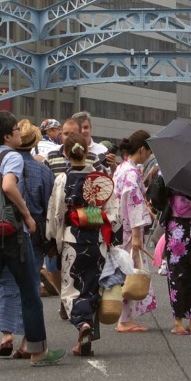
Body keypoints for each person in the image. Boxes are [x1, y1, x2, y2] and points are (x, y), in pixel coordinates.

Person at [0, 110, 65, 370]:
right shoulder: (13, 157)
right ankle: (38, 351)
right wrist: (27, 215)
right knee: (29, 291)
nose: (19, 133)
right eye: (16, 130)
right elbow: (8, 186)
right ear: (7, 136)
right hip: (13, 235)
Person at [47, 134, 121, 354]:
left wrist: (52, 238)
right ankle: (84, 341)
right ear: (87, 152)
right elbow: (114, 213)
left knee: (71, 290)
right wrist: (108, 232)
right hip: (97, 240)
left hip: (73, 240)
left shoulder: (63, 179)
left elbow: (56, 213)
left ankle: (82, 324)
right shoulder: (100, 178)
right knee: (91, 288)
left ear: (67, 153)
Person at [152, 175, 191, 336]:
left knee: (177, 273)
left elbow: (157, 199)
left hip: (177, 226)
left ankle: (178, 323)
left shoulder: (172, 173)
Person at [112, 130, 156, 333]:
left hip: (119, 227)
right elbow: (134, 203)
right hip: (129, 230)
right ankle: (124, 319)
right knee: (131, 273)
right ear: (142, 149)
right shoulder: (130, 172)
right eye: (148, 151)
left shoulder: (122, 168)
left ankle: (122, 316)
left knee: (123, 272)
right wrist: (137, 235)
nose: (148, 155)